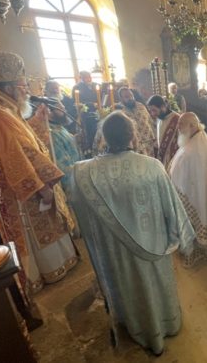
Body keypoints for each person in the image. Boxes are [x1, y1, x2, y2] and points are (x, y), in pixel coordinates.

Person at [69, 111, 194, 355]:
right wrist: (180, 238)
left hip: (115, 254)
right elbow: (172, 209)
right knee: (155, 288)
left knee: (127, 289)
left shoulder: (82, 173)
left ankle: (136, 327)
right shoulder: (152, 167)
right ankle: (165, 325)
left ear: (104, 138)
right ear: (133, 136)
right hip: (152, 248)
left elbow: (79, 210)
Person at [0, 51, 77, 294]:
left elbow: (22, 137)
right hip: (20, 189)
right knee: (36, 226)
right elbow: (16, 156)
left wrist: (38, 122)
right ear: (10, 88)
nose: (27, 91)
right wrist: (42, 186)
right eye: (23, 86)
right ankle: (46, 271)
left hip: (21, 180)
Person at [169, 113, 207, 267]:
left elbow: (184, 170)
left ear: (192, 125)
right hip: (198, 190)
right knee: (204, 213)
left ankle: (199, 251)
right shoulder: (200, 138)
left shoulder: (194, 147)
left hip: (194, 192)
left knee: (197, 217)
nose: (178, 128)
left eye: (181, 124)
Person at [118, 87, 157, 157]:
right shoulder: (120, 111)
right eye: (126, 97)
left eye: (131, 95)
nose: (130, 98)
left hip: (148, 142)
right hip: (134, 145)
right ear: (121, 99)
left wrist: (155, 137)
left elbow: (150, 121)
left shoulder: (141, 106)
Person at [147, 95, 179, 168]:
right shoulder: (159, 119)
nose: (152, 114)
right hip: (163, 160)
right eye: (151, 111)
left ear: (162, 107)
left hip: (174, 161)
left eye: (154, 110)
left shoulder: (177, 119)